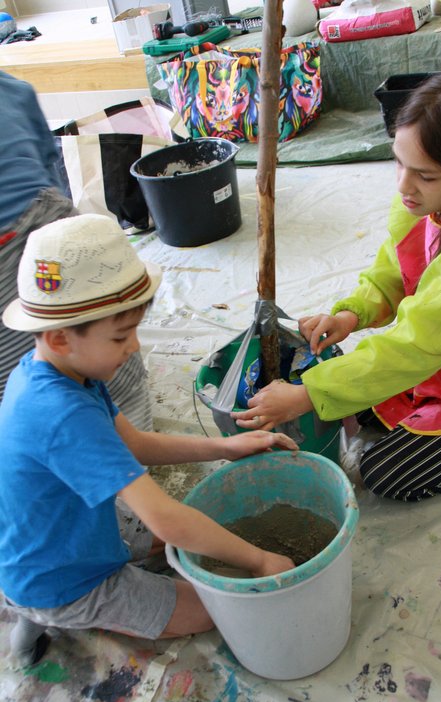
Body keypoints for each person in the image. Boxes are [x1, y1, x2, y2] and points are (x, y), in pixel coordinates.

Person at [0, 214, 297, 666]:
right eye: (122, 335)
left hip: (59, 539)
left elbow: (134, 444)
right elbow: (165, 520)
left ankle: (33, 608)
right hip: (67, 580)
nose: (135, 347)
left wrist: (225, 446)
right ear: (61, 337)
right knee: (211, 608)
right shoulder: (61, 414)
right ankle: (48, 615)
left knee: (189, 539)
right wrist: (257, 561)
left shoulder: (65, 370)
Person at [233, 69, 441, 501]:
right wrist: (353, 312)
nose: (403, 185)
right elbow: (395, 267)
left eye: (425, 175)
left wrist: (307, 395)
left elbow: (412, 348)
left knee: (383, 471)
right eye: (398, 161)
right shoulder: (425, 203)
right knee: (349, 397)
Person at [0, 70, 152, 429]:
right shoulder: (13, 88)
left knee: (102, 361)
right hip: (39, 229)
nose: (135, 346)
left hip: (44, 231)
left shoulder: (13, 90)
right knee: (55, 398)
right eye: (124, 336)